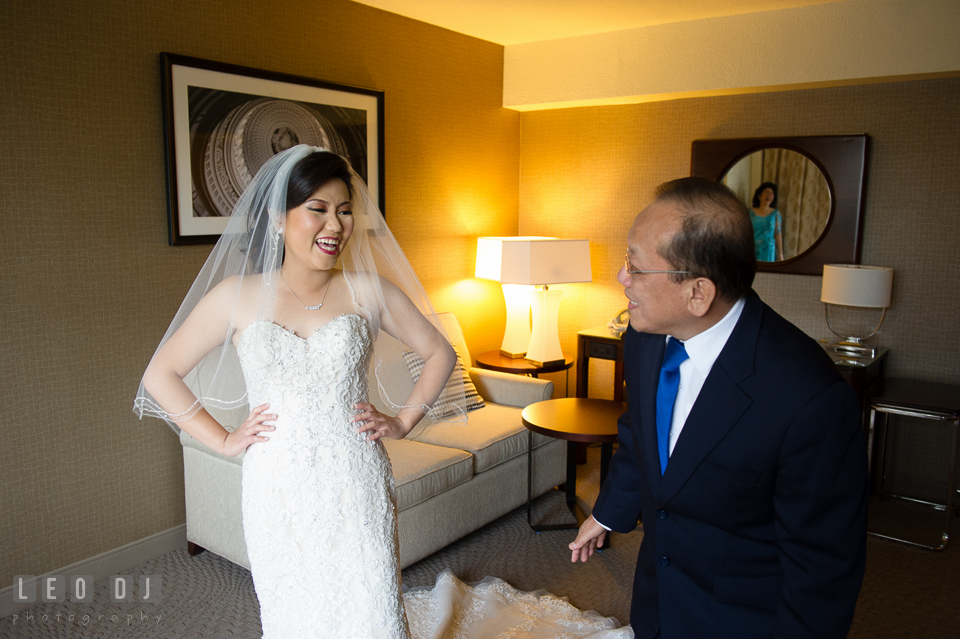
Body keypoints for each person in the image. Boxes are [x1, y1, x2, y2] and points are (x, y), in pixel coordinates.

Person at [136, 145, 632, 639]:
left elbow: (440, 353)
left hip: (356, 475)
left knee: (370, 599)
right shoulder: (235, 297)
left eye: (345, 211)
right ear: (277, 219)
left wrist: (402, 421)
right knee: (293, 604)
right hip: (277, 484)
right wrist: (223, 440)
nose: (335, 226)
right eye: (318, 209)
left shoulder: (367, 291)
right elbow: (161, 375)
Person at [569, 177, 867, 639]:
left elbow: (821, 571)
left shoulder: (809, 398)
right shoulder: (645, 337)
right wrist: (608, 511)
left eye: (636, 266)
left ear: (698, 293)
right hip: (656, 600)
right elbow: (639, 434)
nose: (621, 277)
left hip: (741, 618)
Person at [749, 182, 783, 261]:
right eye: (766, 192)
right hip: (752, 249)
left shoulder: (775, 214)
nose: (769, 195)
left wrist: (780, 254)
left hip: (769, 250)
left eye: (771, 193)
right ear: (759, 196)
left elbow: (778, 234)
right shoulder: (750, 212)